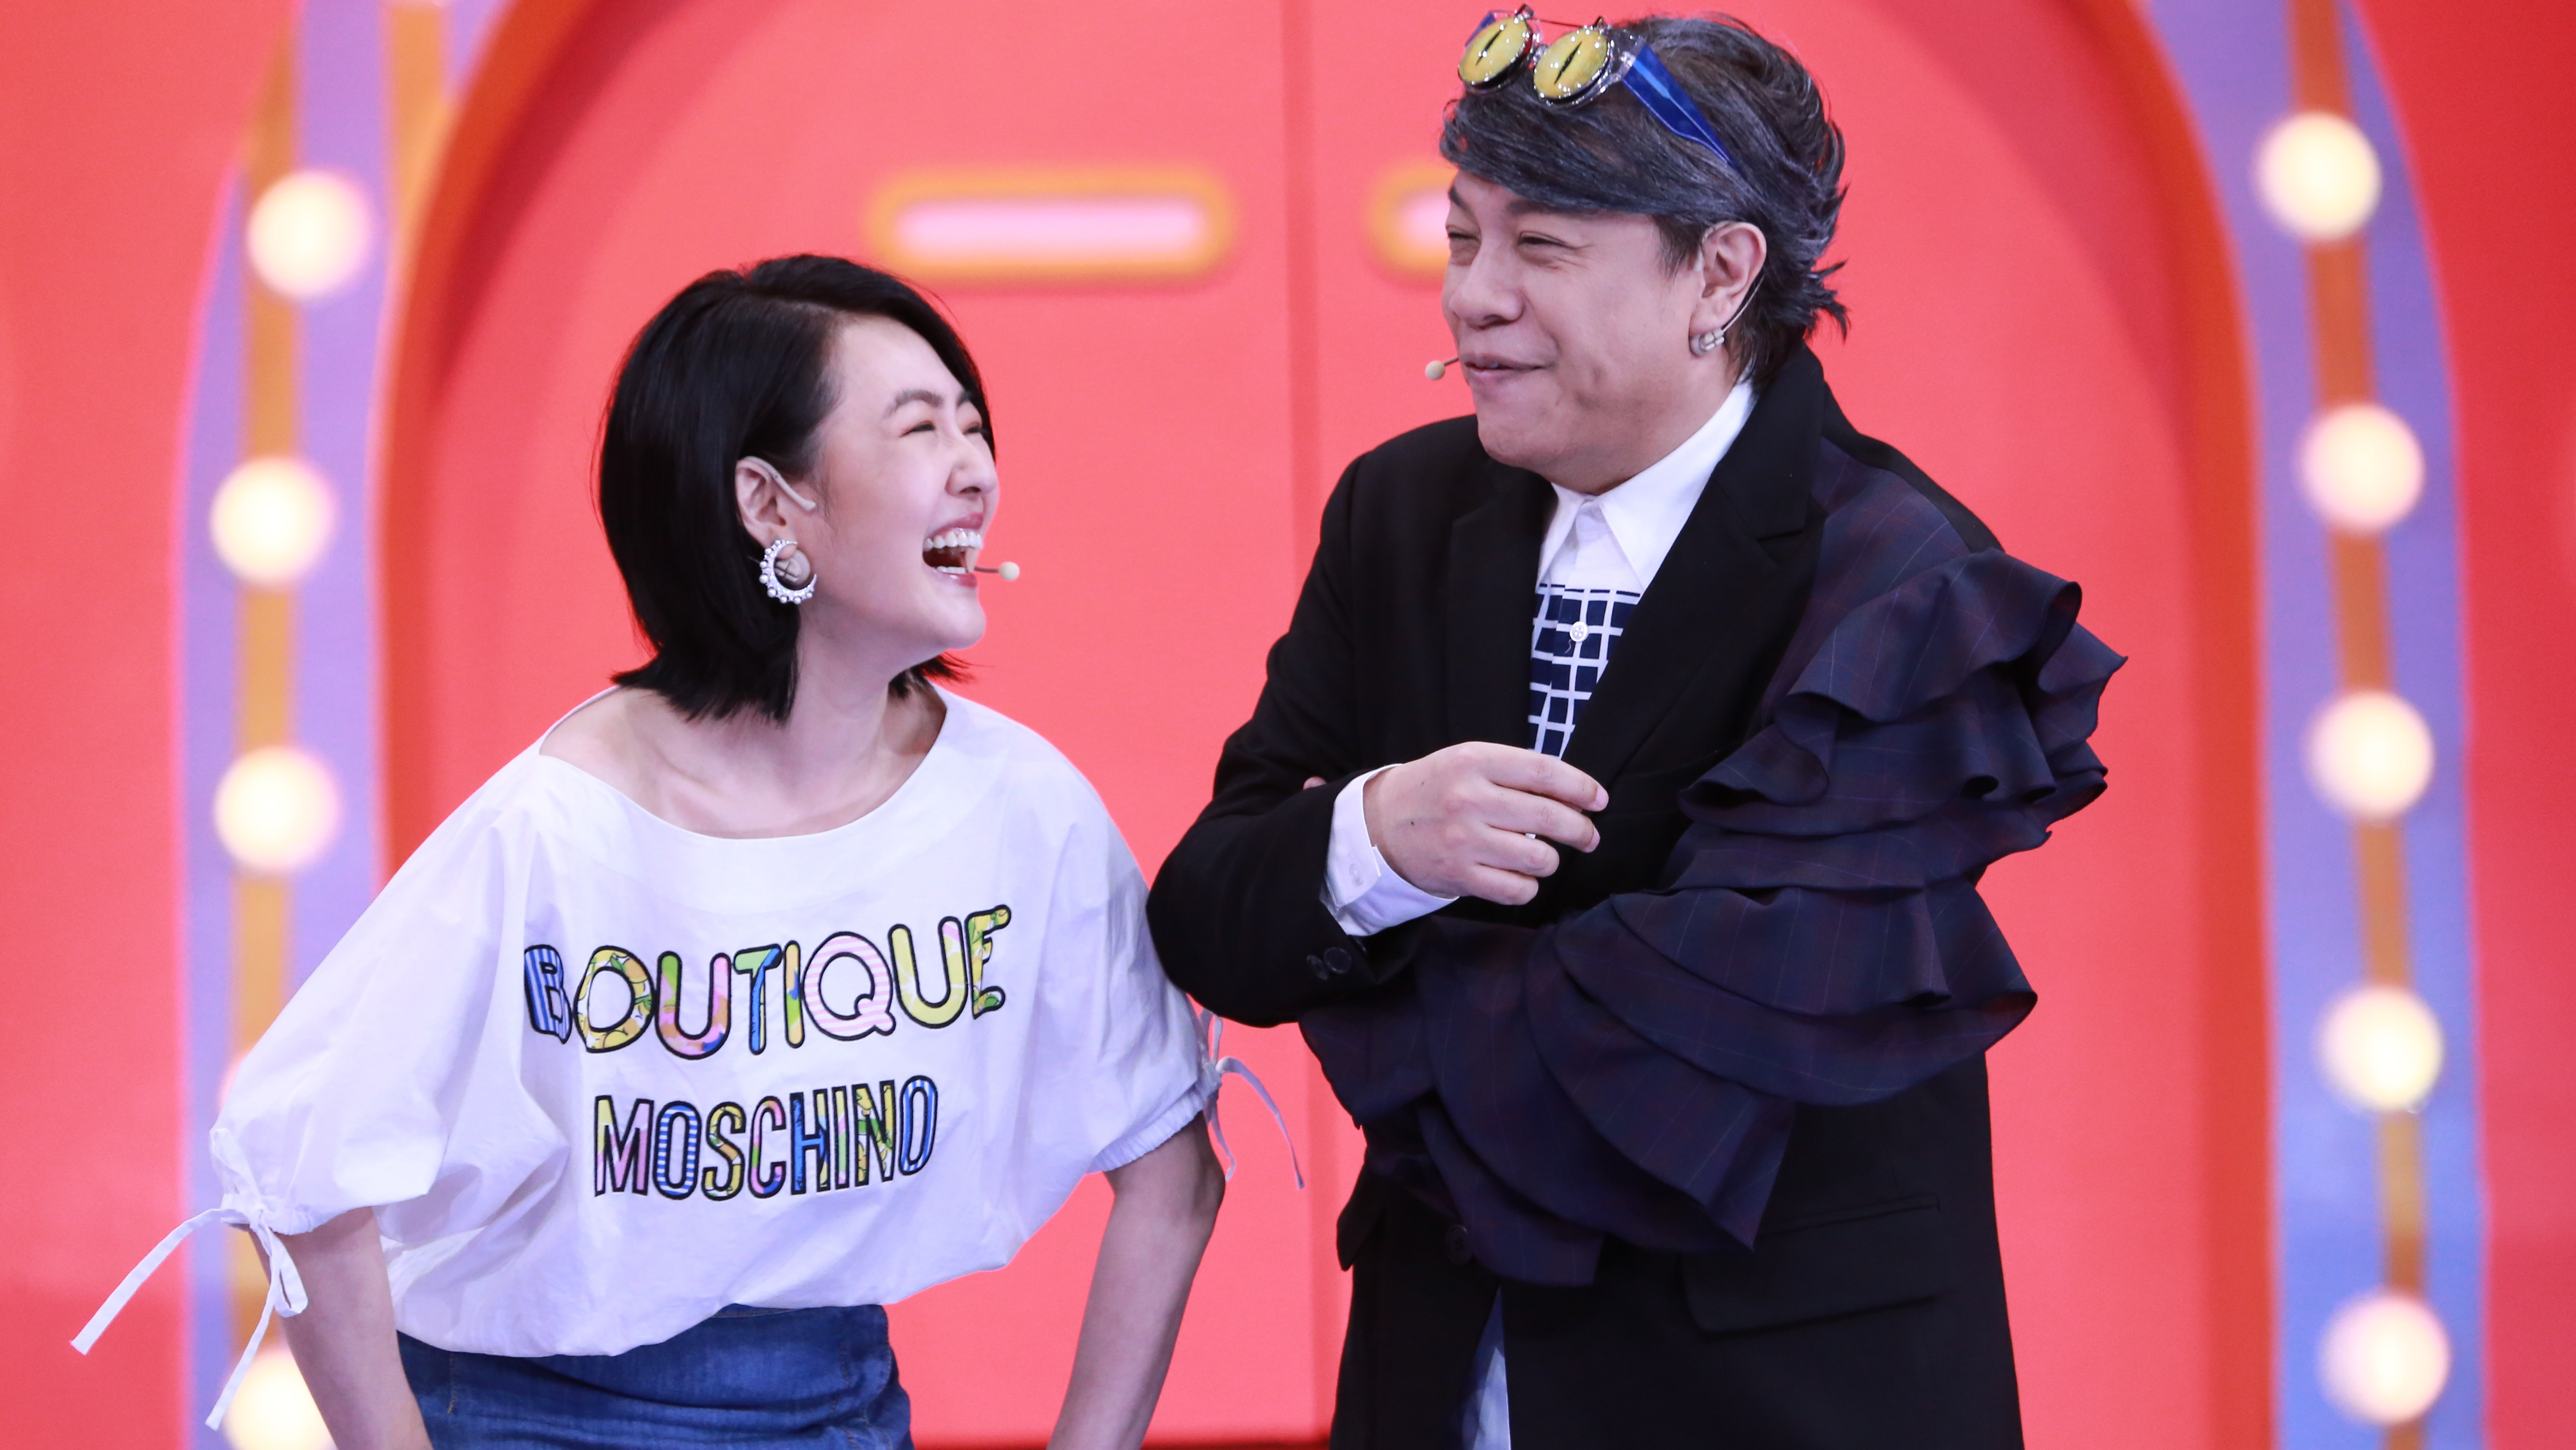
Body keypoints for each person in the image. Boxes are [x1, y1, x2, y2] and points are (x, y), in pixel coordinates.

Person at [1148, 14, 2122, 1449]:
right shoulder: (1398, 513)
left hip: (1780, 1394)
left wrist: (1362, 969)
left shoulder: (1902, 581)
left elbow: (1681, 1040)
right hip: (1439, 1374)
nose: (1474, 298)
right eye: (1461, 238)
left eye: (1541, 249)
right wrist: (1378, 840)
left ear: (1720, 273)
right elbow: (1208, 913)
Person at [79, 256, 1227, 1450]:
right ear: (769, 504)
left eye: (975, 425)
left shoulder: (1019, 808)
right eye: (920, 427)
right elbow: (300, 1163)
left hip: (835, 1406)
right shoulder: (561, 826)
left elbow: (1173, 1162)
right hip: (526, 1412)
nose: (975, 468)